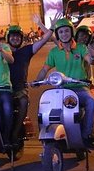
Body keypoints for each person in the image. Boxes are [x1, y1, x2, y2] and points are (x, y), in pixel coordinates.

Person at [34, 18, 94, 148]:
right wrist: (37, 80)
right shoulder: (54, 52)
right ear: (58, 34)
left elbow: (89, 59)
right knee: (44, 105)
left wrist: (92, 58)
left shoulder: (81, 48)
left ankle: (87, 135)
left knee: (91, 101)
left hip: (80, 87)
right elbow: (44, 69)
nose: (64, 34)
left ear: (71, 32)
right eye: (61, 32)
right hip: (61, 89)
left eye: (67, 31)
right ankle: (47, 133)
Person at [5, 14, 57, 144]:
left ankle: (15, 133)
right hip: (3, 88)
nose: (15, 38)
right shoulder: (2, 51)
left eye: (18, 36)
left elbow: (43, 40)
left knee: (23, 102)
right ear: (8, 38)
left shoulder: (26, 51)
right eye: (13, 36)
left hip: (20, 89)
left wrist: (48, 26)